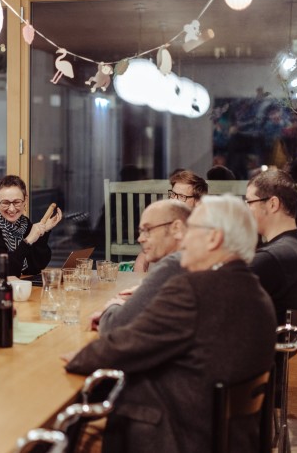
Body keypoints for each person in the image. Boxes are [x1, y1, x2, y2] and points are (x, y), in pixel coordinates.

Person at [64, 194, 276, 453]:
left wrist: (77, 357)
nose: (184, 239)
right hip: (230, 436)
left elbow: (125, 344)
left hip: (177, 433)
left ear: (214, 238)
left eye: (192, 230)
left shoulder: (195, 290)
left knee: (68, 425)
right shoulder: (256, 292)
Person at [94, 200, 190, 334]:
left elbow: (114, 325)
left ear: (176, 228)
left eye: (147, 230)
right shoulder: (191, 260)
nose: (140, 239)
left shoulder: (175, 264)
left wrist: (113, 306)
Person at [246, 169, 297, 327]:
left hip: (253, 350)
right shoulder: (294, 247)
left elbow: (216, 296)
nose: (246, 210)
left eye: (249, 202)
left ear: (272, 204)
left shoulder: (274, 258)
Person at [0, 175, 63, 277]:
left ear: (25, 200)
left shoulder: (24, 223)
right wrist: (28, 241)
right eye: (5, 203)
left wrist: (43, 232)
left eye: (17, 202)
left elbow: (36, 267)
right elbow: (4, 273)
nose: (12, 209)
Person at [133, 169, 208, 272]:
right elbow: (143, 256)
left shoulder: (201, 230)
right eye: (173, 194)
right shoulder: (164, 218)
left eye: (182, 196)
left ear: (197, 201)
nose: (174, 200)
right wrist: (140, 278)